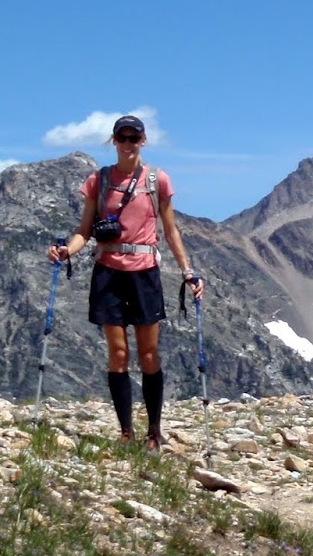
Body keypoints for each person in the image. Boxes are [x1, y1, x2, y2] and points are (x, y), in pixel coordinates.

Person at [48, 114, 203, 451]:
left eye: (134, 138)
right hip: (109, 272)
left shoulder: (157, 181)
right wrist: (66, 251)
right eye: (123, 138)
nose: (129, 144)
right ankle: (126, 431)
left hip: (145, 271)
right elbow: (84, 230)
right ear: (114, 141)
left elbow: (171, 230)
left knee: (148, 354)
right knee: (117, 353)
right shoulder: (98, 181)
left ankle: (153, 432)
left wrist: (187, 271)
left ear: (143, 141)